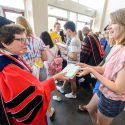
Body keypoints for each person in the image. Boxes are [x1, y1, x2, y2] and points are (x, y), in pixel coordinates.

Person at [0, 23, 68, 125]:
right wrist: (54, 79)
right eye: (21, 40)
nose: (26, 43)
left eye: (25, 39)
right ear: (5, 43)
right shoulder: (8, 71)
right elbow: (32, 99)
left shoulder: (12, 57)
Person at [77, 8, 125, 125]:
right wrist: (88, 66)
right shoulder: (116, 46)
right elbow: (104, 69)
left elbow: (118, 88)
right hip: (104, 90)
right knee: (90, 109)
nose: (108, 27)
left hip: (112, 99)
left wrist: (92, 71)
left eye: (112, 23)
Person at [16, 16, 47, 82]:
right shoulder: (38, 40)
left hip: (26, 71)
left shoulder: (16, 43)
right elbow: (45, 58)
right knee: (43, 89)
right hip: (40, 68)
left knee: (32, 91)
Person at [57, 21, 81, 98]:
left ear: (69, 30)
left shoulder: (74, 41)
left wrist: (65, 52)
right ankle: (63, 88)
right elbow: (72, 50)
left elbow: (73, 56)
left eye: (65, 30)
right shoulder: (74, 39)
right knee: (68, 77)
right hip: (72, 63)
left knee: (72, 80)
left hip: (73, 63)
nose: (64, 32)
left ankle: (74, 94)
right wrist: (65, 47)